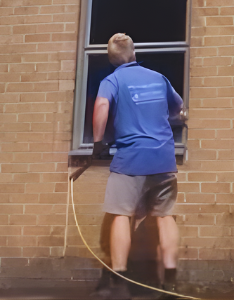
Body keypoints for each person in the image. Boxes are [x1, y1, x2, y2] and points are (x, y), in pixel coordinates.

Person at [92, 33, 185, 299]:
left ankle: (119, 281)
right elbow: (179, 110)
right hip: (164, 160)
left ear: (112, 60)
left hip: (131, 160)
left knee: (122, 214)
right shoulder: (158, 78)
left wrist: (98, 143)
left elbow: (101, 105)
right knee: (165, 216)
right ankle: (170, 282)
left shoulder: (112, 80)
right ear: (133, 54)